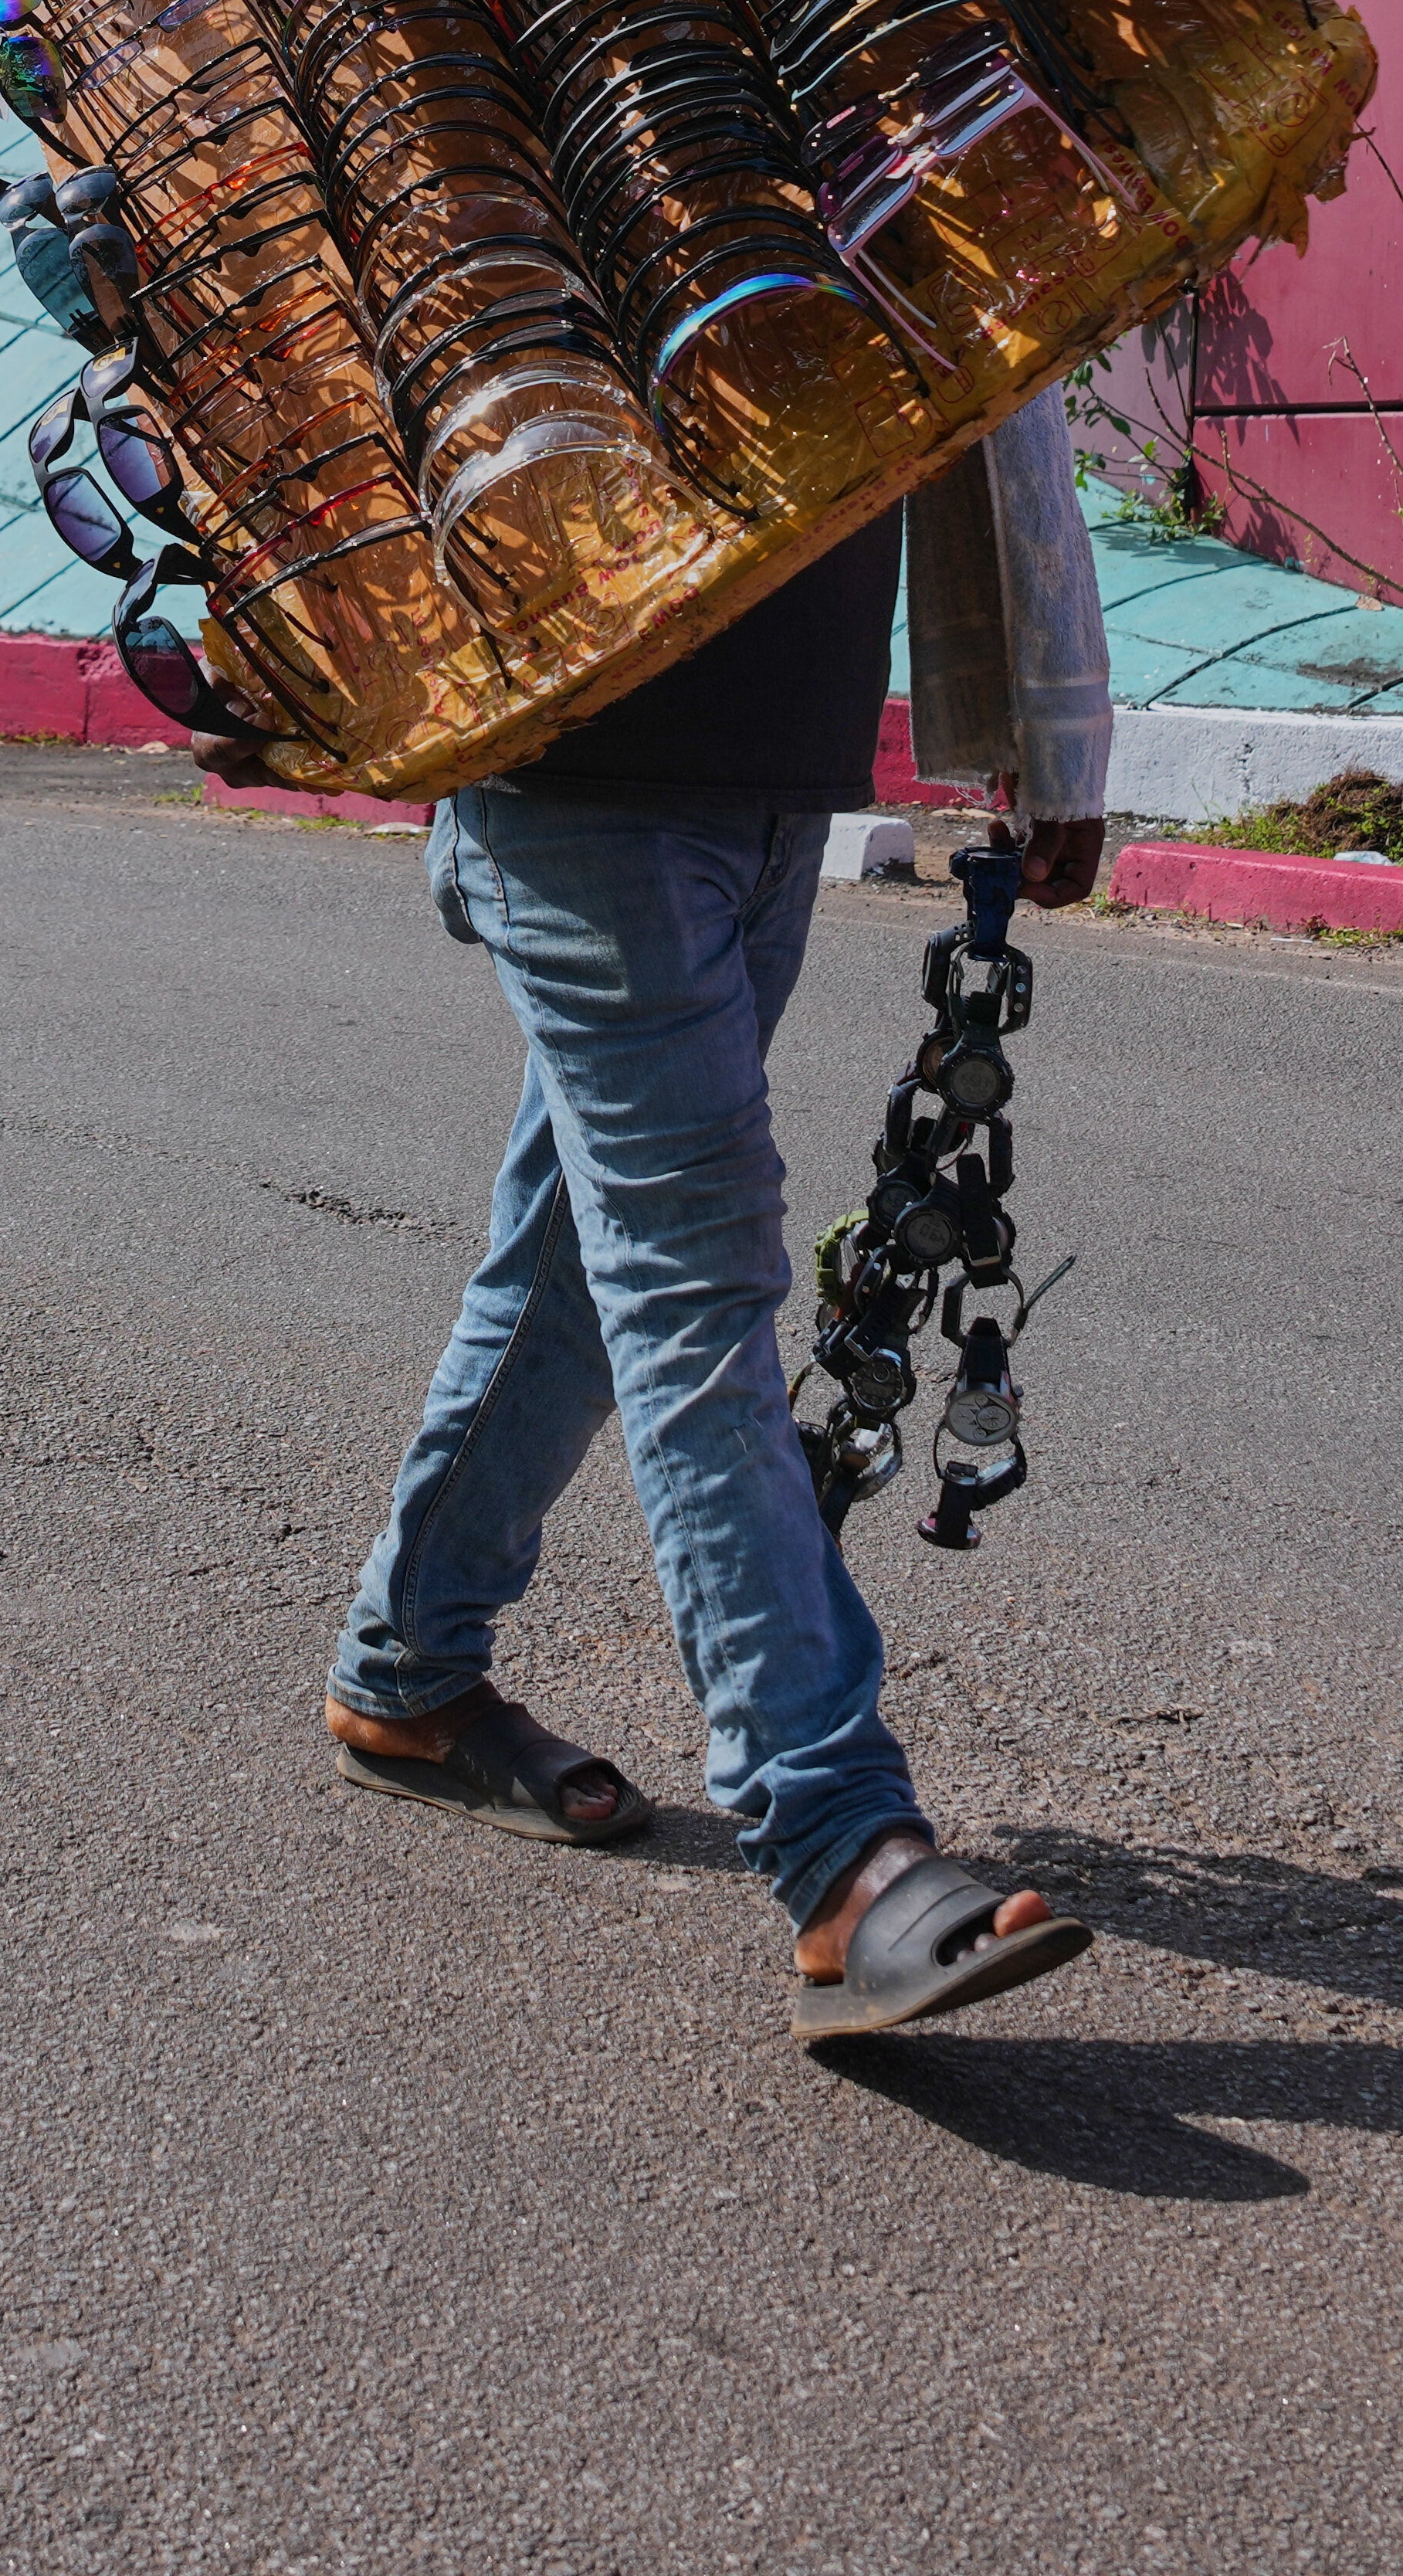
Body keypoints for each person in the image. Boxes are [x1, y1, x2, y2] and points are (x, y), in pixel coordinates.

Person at [308, 398, 1118, 2044]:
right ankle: (841, 1852)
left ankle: (405, 1669)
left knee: (569, 1253)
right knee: (694, 1279)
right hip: (579, 771)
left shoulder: (850, 135)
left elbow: (973, 378)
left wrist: (1051, 722)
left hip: (774, 766)